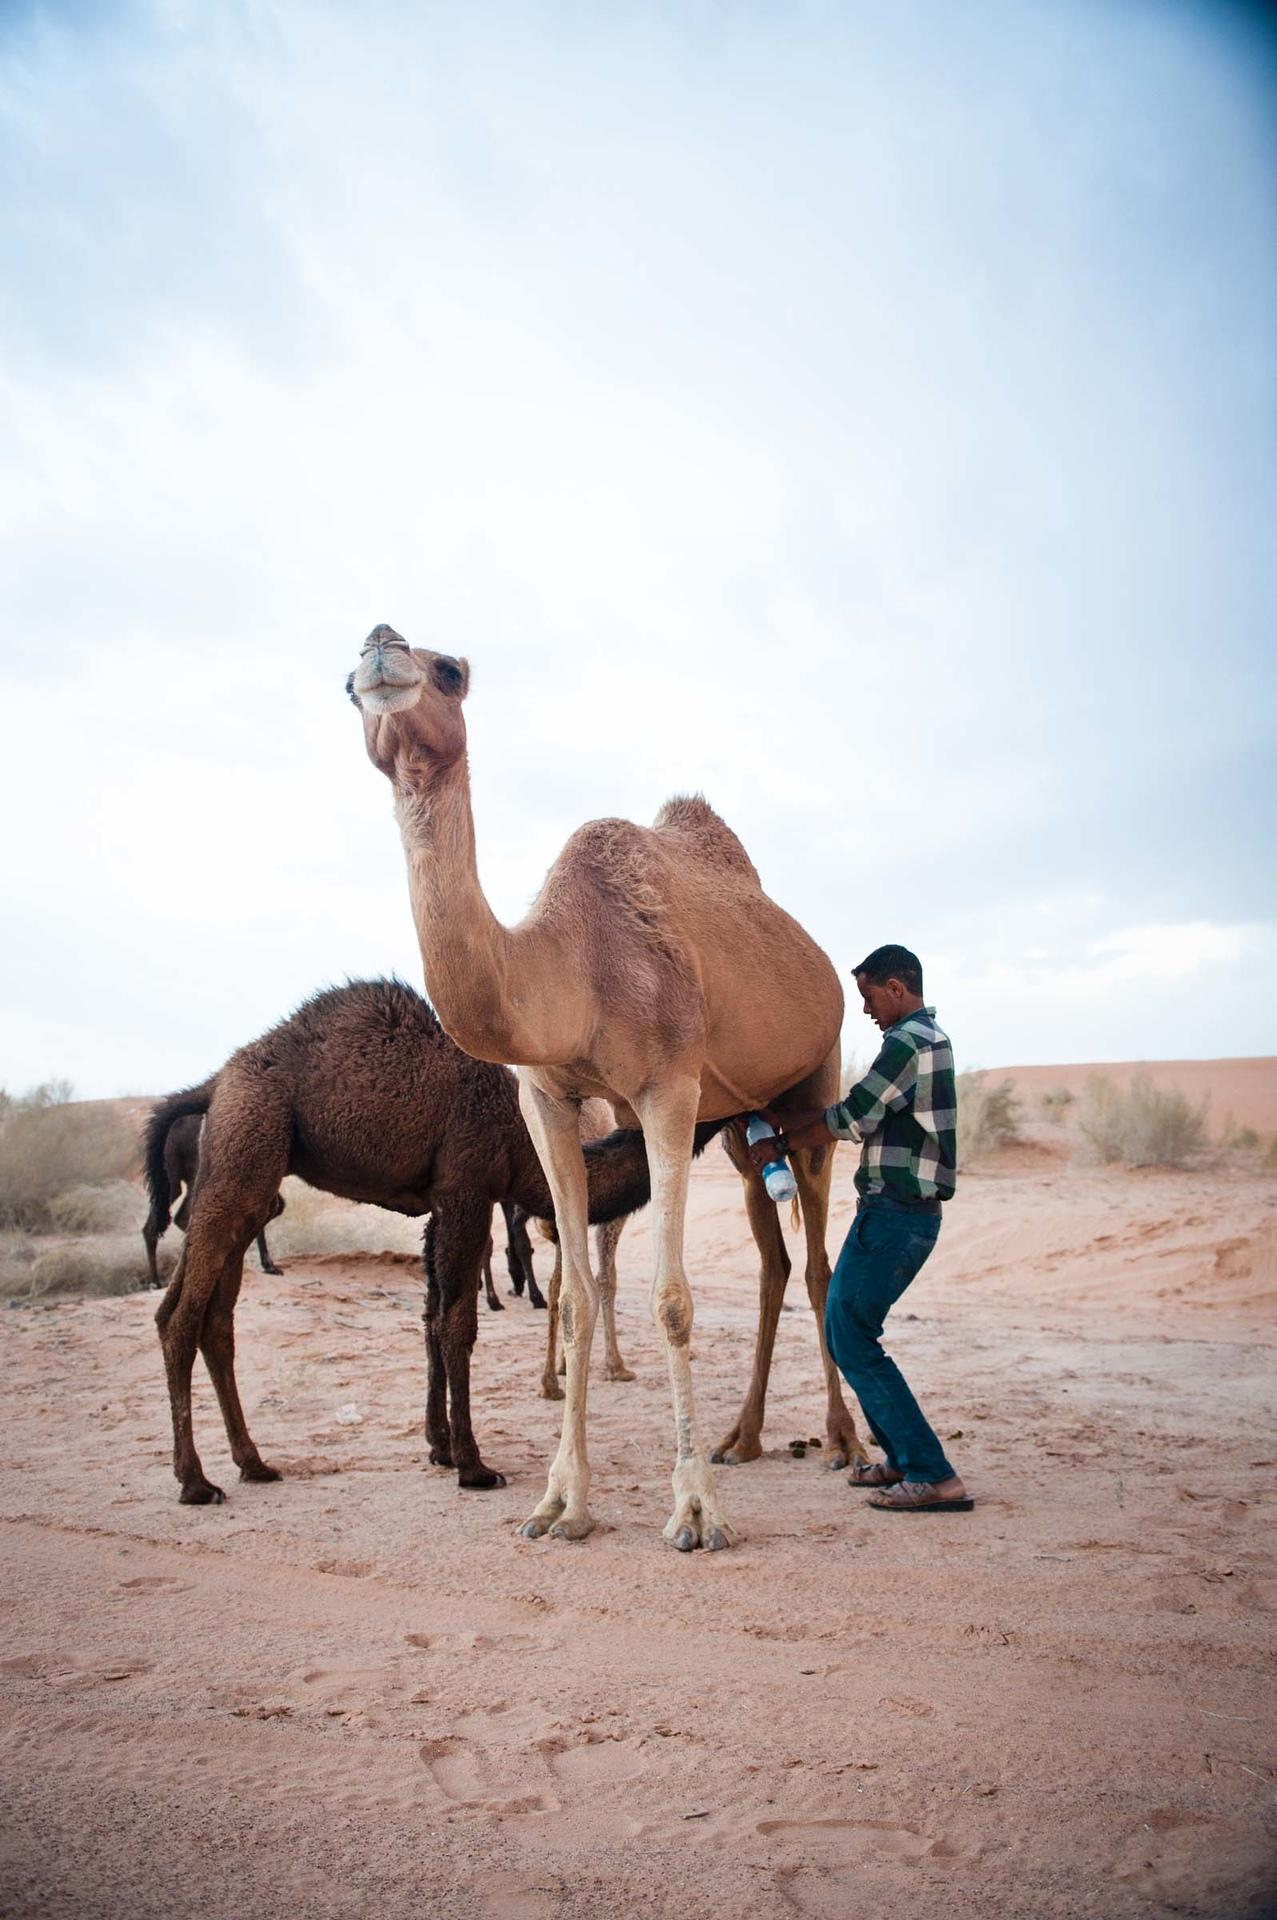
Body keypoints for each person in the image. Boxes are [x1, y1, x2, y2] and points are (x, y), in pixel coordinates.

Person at [752, 944, 971, 1513]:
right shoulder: (930, 1040)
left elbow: (853, 1117)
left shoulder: (908, 1043)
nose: (867, 1010)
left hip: (897, 1215)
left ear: (896, 988)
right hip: (898, 1214)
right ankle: (901, 1459)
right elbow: (860, 1114)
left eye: (870, 997)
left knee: (849, 1335)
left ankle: (932, 1473)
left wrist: (783, 1141)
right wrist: (791, 1123)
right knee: (846, 1330)